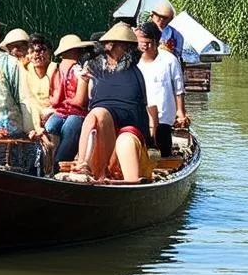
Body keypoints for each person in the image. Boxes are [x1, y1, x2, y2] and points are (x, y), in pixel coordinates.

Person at [72, 22, 152, 182]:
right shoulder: (96, 70)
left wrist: (150, 141)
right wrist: (83, 79)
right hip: (105, 128)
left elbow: (141, 110)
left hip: (129, 132)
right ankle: (83, 165)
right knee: (96, 114)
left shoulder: (135, 73)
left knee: (125, 141)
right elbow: (84, 102)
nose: (119, 50)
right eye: (114, 45)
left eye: (124, 46)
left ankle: (121, 181)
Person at [135, 21, 189, 156]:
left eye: (148, 42)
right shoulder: (134, 61)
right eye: (141, 42)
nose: (144, 46)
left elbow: (178, 89)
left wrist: (181, 112)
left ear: (156, 41)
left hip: (164, 115)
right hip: (140, 114)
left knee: (163, 146)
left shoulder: (170, 60)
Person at [42, 34, 94, 167]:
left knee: (68, 125)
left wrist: (64, 102)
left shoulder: (77, 71)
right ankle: (51, 165)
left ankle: (55, 164)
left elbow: (76, 101)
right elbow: (72, 101)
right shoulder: (60, 71)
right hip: (66, 112)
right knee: (51, 127)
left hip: (74, 113)